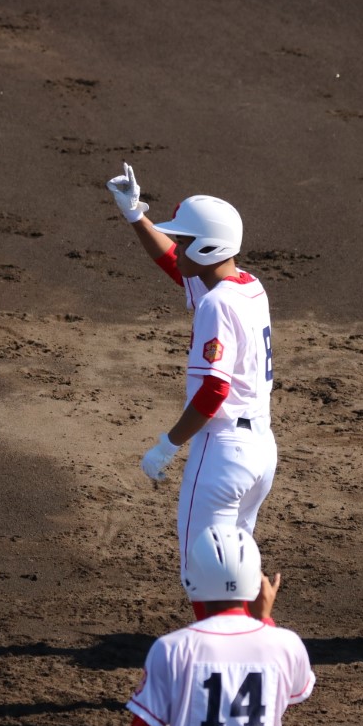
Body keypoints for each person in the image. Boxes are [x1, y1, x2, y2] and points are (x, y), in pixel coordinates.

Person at [106, 163, 277, 617]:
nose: (176, 247)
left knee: (203, 572)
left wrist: (168, 445)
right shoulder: (246, 285)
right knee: (235, 567)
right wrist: (135, 215)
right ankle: (262, 644)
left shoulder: (216, 305)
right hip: (260, 451)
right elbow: (178, 267)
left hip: (222, 453)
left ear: (207, 246)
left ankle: (222, 657)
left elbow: (212, 393)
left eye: (183, 240)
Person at [126, 525, 315, 726]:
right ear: (257, 582)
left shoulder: (172, 649)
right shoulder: (287, 644)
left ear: (193, 577)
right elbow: (290, 691)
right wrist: (264, 621)